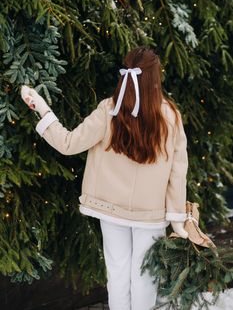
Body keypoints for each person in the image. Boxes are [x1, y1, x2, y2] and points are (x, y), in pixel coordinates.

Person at [21, 46, 188, 310]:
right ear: (155, 79)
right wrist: (177, 218)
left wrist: (43, 110)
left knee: (118, 274)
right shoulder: (170, 117)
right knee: (146, 277)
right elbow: (179, 172)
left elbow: (68, 142)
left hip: (110, 210)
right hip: (150, 214)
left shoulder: (109, 110)